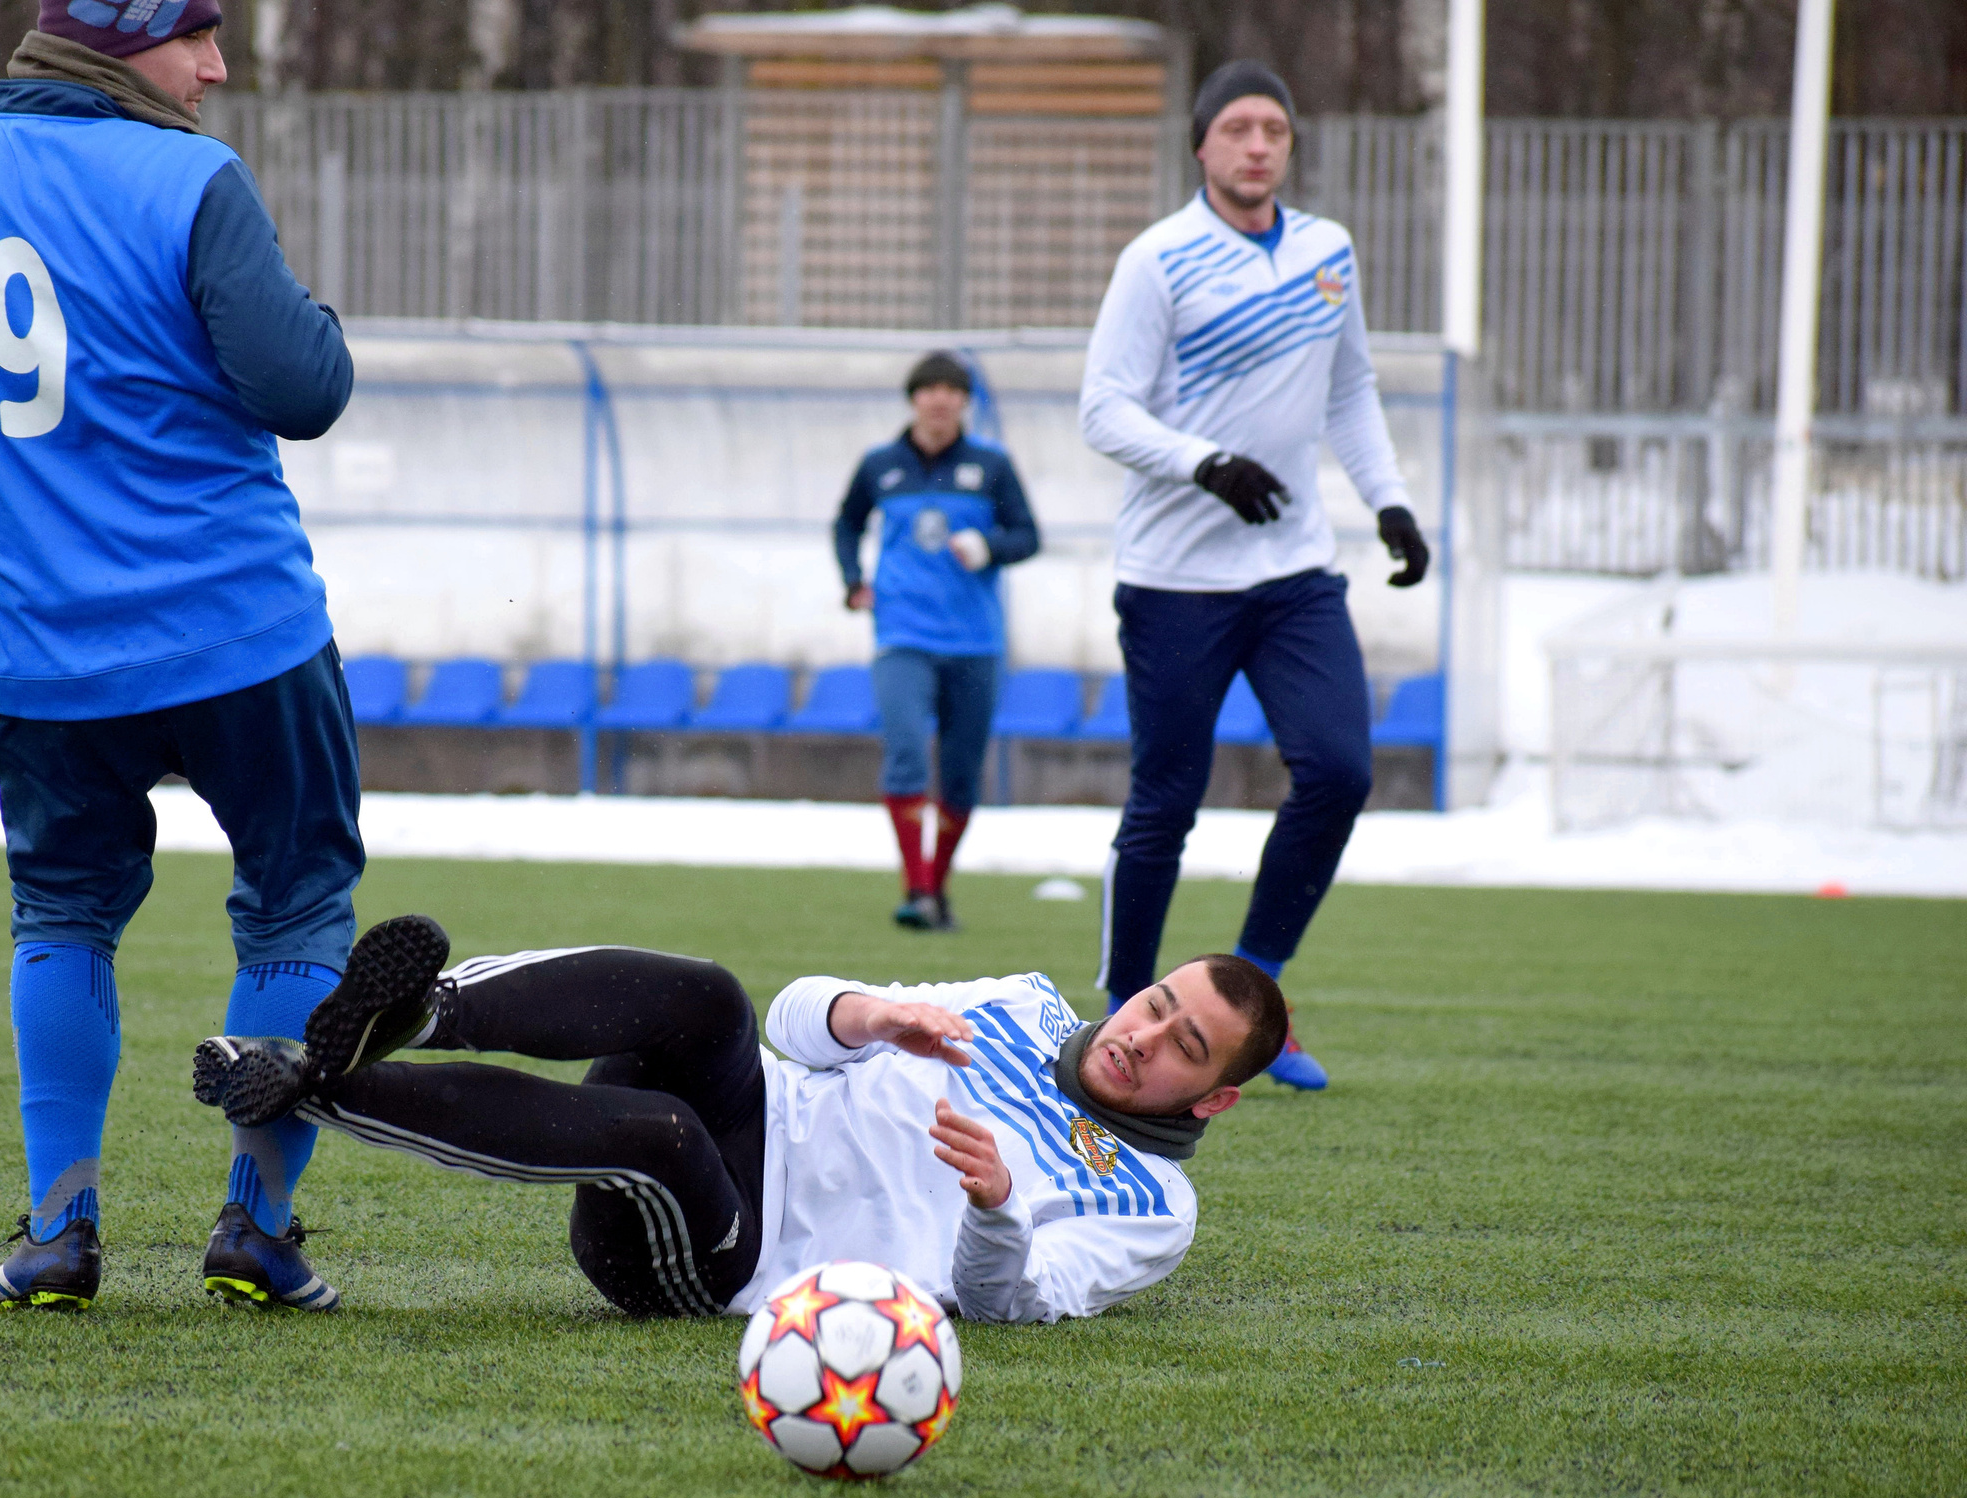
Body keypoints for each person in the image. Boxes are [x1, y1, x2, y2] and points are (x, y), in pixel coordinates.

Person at [0, 0, 360, 1313]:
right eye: (197, 36)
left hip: (42, 656)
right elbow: (302, 387)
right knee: (298, 897)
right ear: (125, 42)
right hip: (244, 629)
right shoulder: (193, 176)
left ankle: (58, 1236)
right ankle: (256, 1227)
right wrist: (322, 320)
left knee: (62, 915)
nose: (216, 67)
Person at [193, 914, 1287, 1325]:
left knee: (657, 1136)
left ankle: (309, 1081)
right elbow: (792, 1016)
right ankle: (417, 1011)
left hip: (747, 1256)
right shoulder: (1023, 1001)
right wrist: (867, 1013)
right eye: (1155, 1003)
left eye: (1183, 1046)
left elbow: (1014, 1305)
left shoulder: (1154, 1204)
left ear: (1216, 1096)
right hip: (764, 1105)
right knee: (709, 995)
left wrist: (996, 1205)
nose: (1142, 1036)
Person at [1079, 60, 1431, 1092]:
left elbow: (1351, 388)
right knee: (1167, 801)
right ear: (1201, 144)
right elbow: (1103, 408)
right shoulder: (1159, 259)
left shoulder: (1327, 251)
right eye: (1236, 126)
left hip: (1292, 573)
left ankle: (1259, 1005)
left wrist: (1390, 500)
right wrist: (1204, 462)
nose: (1257, 144)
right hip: (1174, 580)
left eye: (1273, 127)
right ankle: (1119, 1011)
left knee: (1340, 769)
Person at [833, 351, 1040, 933]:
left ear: (964, 402)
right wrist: (854, 581)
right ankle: (916, 888)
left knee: (961, 771)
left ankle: (936, 887)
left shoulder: (990, 466)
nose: (940, 400)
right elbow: (846, 523)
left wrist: (990, 546)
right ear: (914, 399)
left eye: (952, 390)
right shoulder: (880, 466)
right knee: (903, 750)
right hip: (902, 634)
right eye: (930, 390)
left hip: (975, 642)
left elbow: (1028, 536)